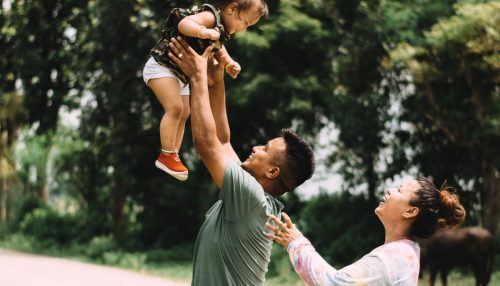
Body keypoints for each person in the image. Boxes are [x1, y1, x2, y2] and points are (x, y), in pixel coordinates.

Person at [167, 37, 315, 285]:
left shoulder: (251, 199)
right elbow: (222, 141)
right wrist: (215, 78)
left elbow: (206, 142)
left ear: (272, 172)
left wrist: (197, 77)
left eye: (264, 149)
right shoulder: (254, 196)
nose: (255, 148)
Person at [143, 0, 268, 181]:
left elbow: (218, 49)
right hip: (162, 67)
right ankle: (167, 153)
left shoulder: (220, 31)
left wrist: (229, 63)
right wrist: (202, 31)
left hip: (180, 75)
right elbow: (184, 24)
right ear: (232, 9)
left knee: (185, 112)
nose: (243, 28)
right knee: (176, 108)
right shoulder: (210, 16)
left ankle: (173, 155)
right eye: (245, 22)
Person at [266, 177, 466, 286]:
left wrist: (297, 243)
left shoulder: (390, 258)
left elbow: (331, 283)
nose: (389, 190)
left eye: (399, 190)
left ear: (411, 211)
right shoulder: (407, 251)